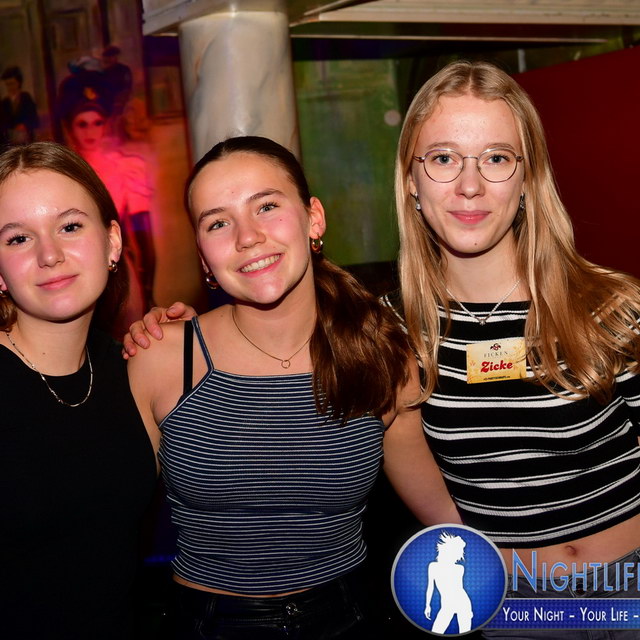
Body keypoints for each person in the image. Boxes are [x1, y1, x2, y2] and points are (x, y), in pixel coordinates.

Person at [126, 135, 460, 639]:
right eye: (218, 223)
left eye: (266, 206)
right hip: (208, 626)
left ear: (313, 218)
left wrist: (538, 586)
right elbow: (106, 520)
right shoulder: (162, 356)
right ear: (203, 255)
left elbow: (440, 512)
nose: (248, 237)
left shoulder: (381, 355)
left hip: (352, 618)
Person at [393, 60, 640, 638]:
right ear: (411, 180)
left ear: (528, 178)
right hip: (517, 609)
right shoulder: (394, 333)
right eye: (444, 158)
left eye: (497, 158)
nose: (470, 185)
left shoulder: (610, 307)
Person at [0, 142, 157, 639]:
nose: (49, 255)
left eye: (69, 226)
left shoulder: (134, 368)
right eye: (18, 238)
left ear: (112, 242)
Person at [65, 100, 156, 316]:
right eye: (82, 124)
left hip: (115, 265)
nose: (90, 131)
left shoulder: (126, 168)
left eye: (97, 123)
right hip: (71, 263)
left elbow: (144, 236)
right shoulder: (63, 173)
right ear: (71, 129)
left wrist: (147, 288)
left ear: (106, 126)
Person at [1, 65, 39, 144]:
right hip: (10, 142)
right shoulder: (4, 102)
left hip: (27, 140)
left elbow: (34, 119)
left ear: (18, 83)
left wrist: (25, 125)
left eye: (12, 83)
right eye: (7, 84)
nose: (10, 87)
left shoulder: (26, 98)